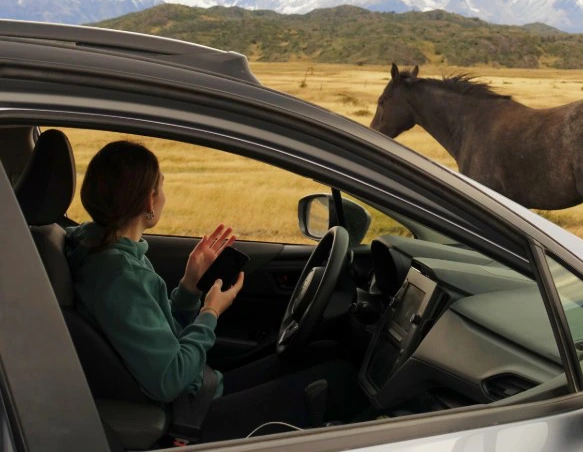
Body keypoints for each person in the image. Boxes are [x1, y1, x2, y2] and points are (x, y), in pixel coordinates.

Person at [66, 140, 364, 443]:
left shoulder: (105, 252)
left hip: (198, 389)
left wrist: (189, 286)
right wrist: (210, 313)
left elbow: (159, 335)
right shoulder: (120, 276)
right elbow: (169, 380)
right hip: (188, 416)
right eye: (162, 187)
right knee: (340, 379)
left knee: (325, 352)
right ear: (150, 201)